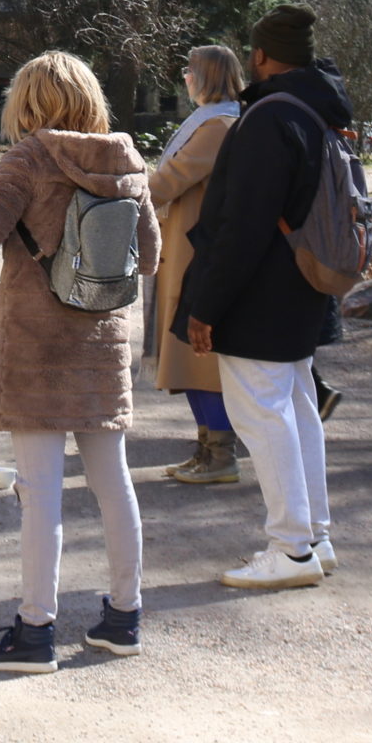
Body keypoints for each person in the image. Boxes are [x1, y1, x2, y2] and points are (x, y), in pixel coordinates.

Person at [0, 51, 159, 673]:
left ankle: (35, 630)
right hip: (100, 344)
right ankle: (124, 617)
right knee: (112, 482)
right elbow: (147, 256)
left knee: (39, 491)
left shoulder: (28, 158)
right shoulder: (126, 158)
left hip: (36, 347)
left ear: (29, 102)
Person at [177, 4, 351, 592]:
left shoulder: (267, 118)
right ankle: (315, 537)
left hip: (260, 294)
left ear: (258, 56)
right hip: (304, 285)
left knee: (262, 413)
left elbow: (240, 225)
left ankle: (291, 548)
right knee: (298, 409)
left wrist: (206, 305)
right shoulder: (314, 110)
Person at [153, 46, 246, 485]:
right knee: (191, 359)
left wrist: (122, 186)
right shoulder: (215, 120)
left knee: (197, 358)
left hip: (194, 255)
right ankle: (206, 447)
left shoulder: (218, 126)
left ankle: (220, 454)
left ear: (208, 77)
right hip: (187, 249)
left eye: (191, 72)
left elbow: (170, 180)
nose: (185, 78)